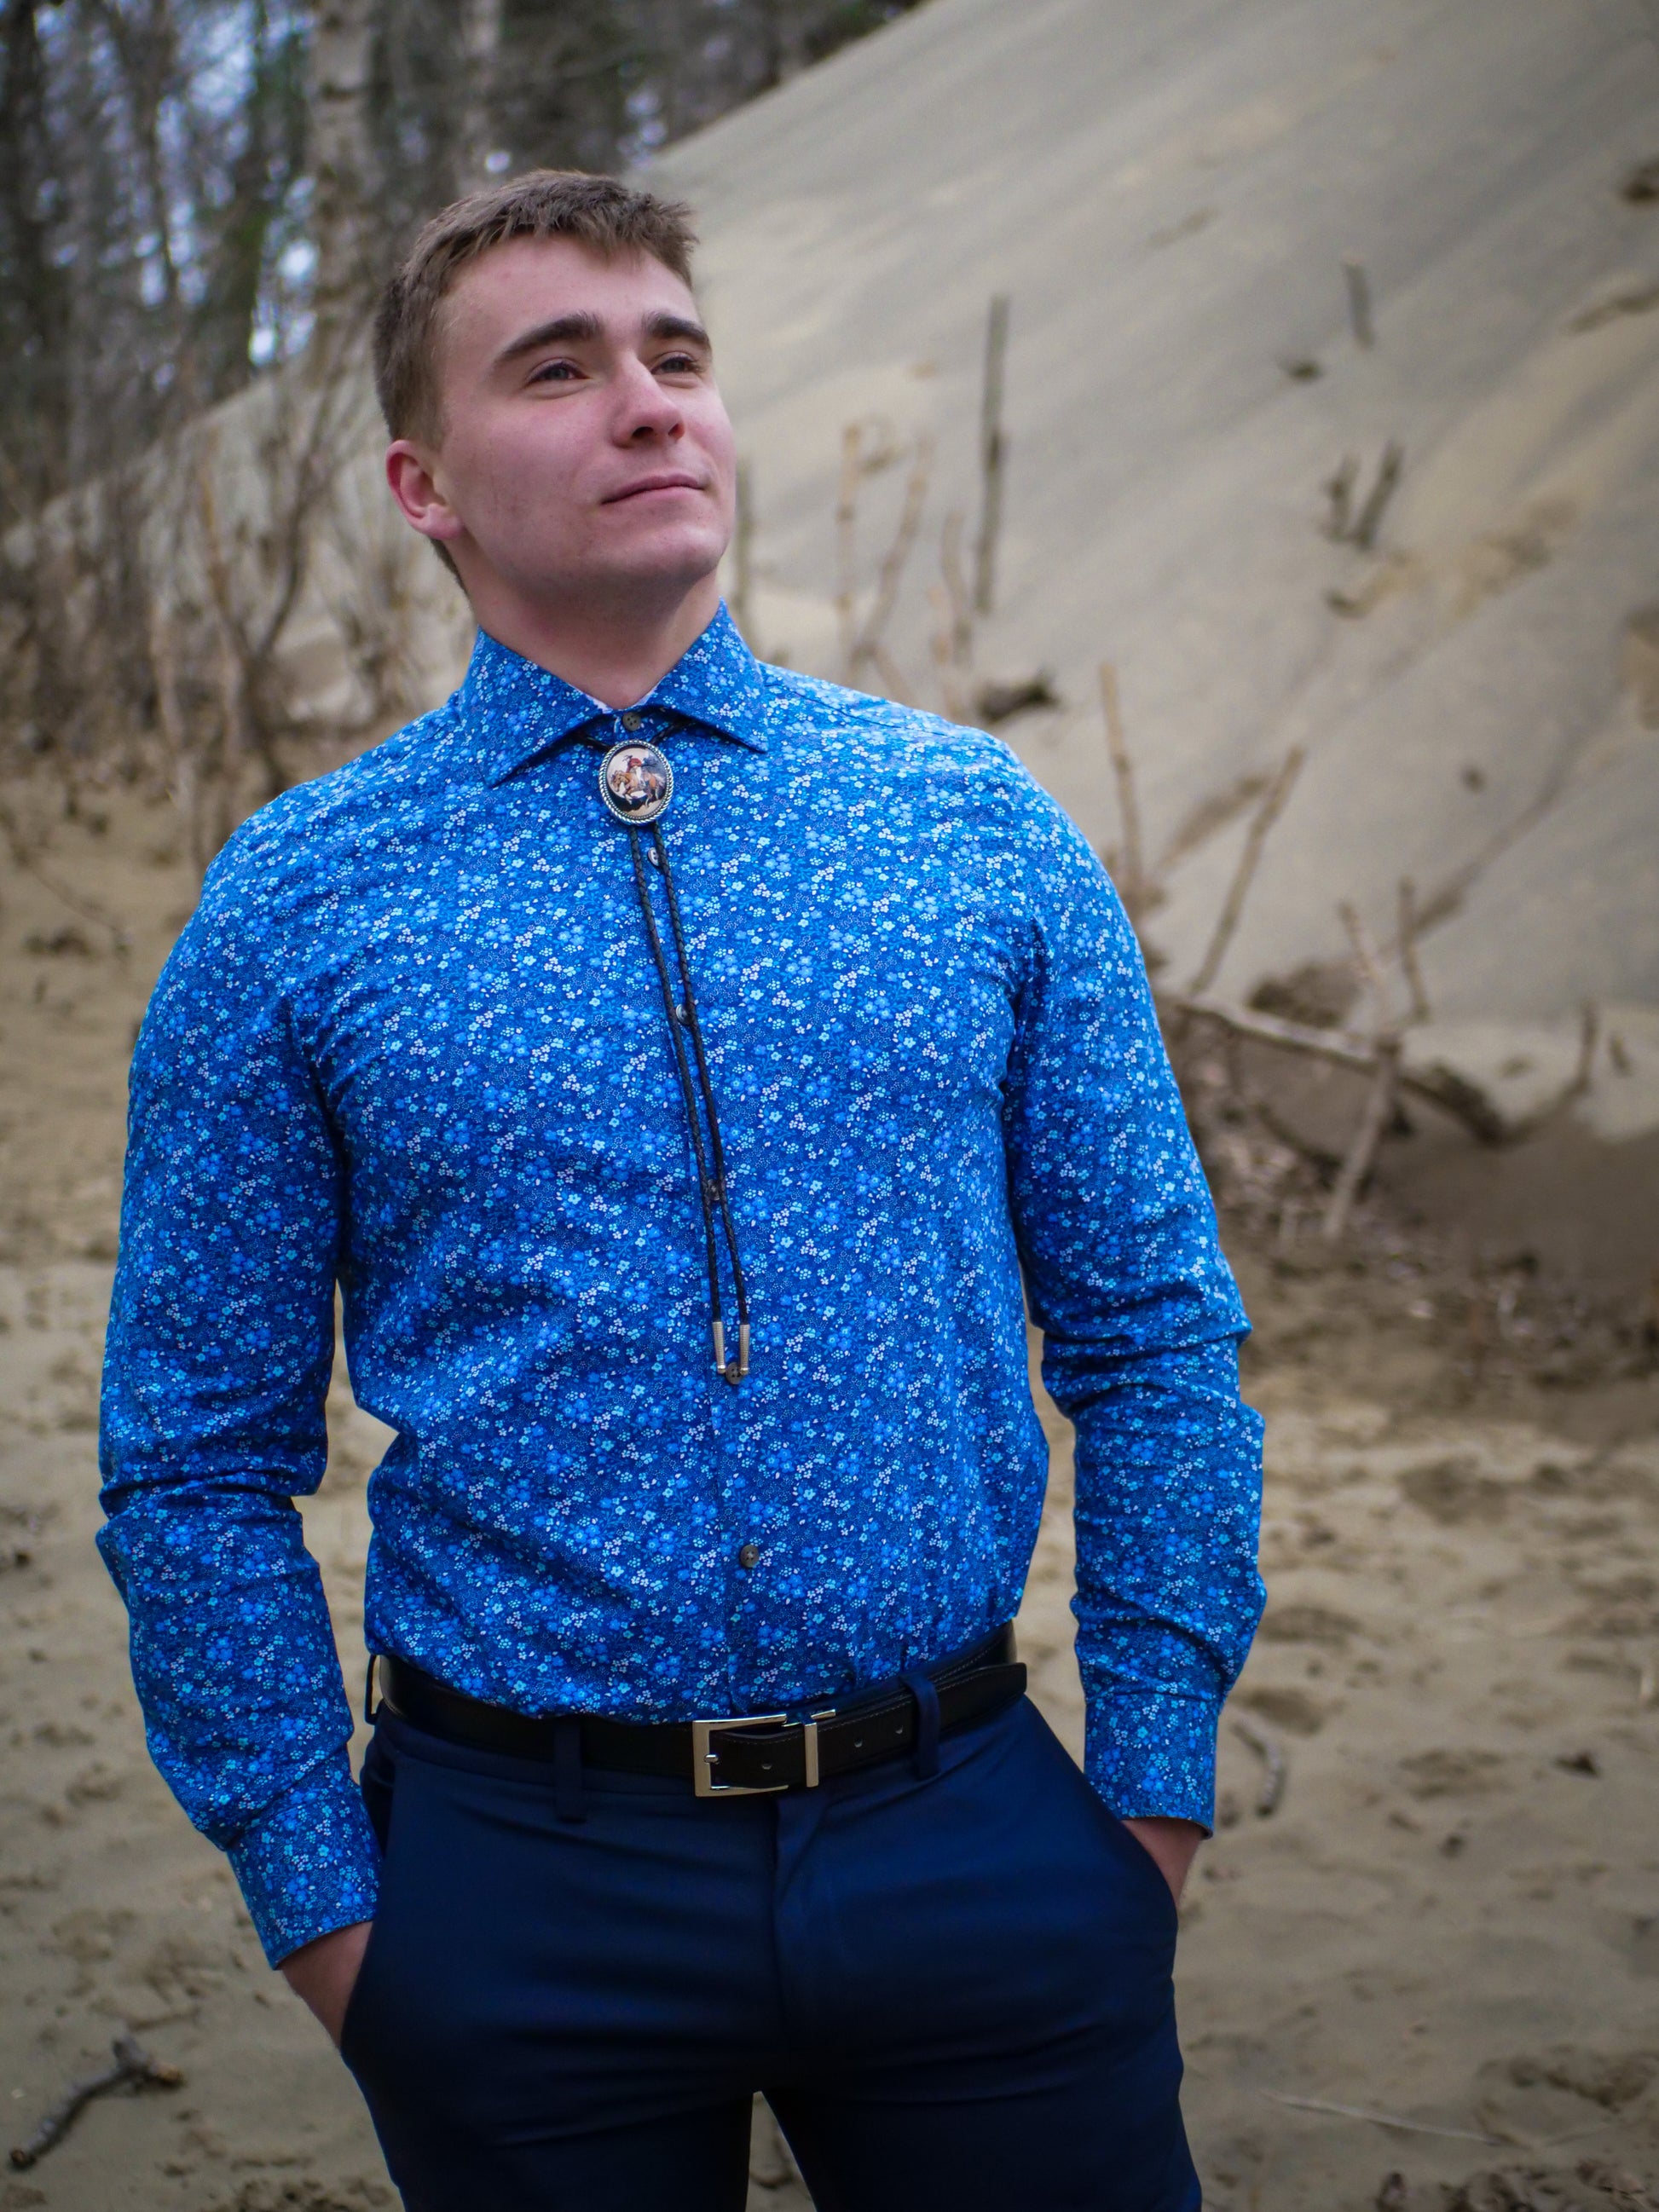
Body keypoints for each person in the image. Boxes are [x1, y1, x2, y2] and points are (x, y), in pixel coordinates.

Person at [99, 170, 1264, 2211]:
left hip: (975, 1837)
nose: (647, 403)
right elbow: (193, 1458)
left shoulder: (963, 822)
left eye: (677, 356)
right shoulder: (300, 898)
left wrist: (1146, 1794)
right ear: (424, 482)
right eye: (557, 368)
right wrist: (335, 1919)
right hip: (516, 1886)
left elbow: (1158, 1330)